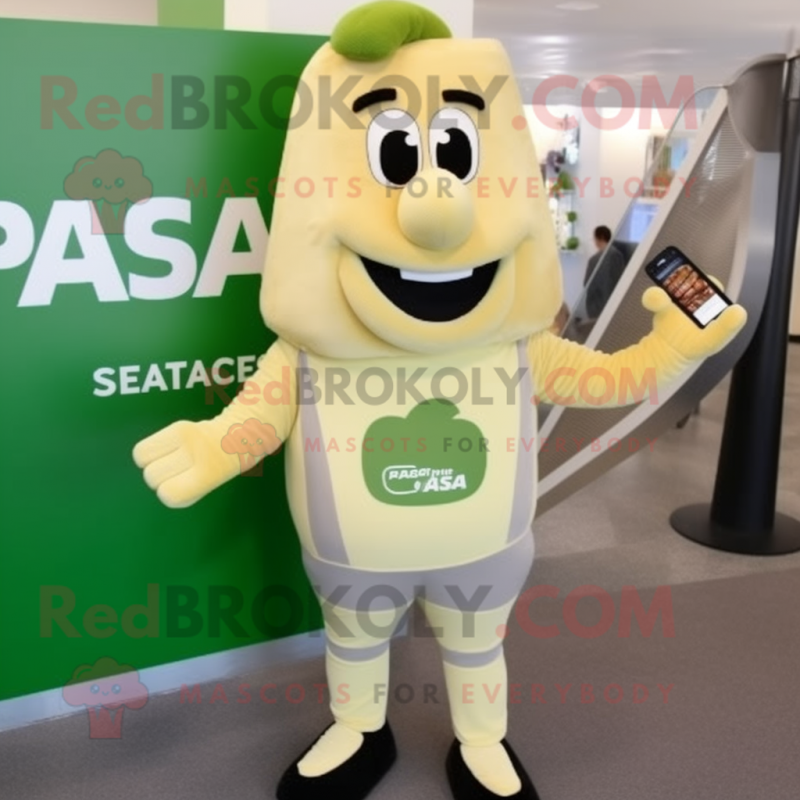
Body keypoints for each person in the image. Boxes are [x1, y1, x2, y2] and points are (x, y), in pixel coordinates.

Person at [584, 225, 627, 318]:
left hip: (597, 308)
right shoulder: (617, 255)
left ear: (600, 237)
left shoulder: (594, 260)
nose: (594, 241)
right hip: (615, 305)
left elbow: (587, 284)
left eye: (595, 238)